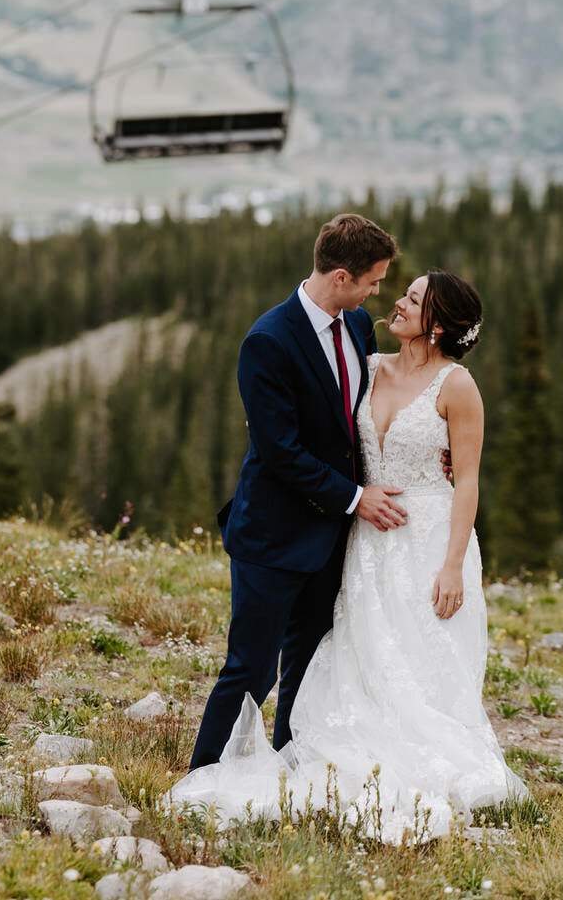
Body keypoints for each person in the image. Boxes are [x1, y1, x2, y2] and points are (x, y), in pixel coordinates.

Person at [171, 270, 526, 841]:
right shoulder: (368, 360)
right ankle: (267, 757)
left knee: (419, 659)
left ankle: (423, 757)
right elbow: (319, 423)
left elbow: (467, 482)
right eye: (400, 288)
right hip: (364, 544)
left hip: (430, 539)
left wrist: (454, 564)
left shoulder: (458, 387)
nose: (396, 301)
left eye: (413, 297)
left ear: (436, 325)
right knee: (359, 650)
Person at [189, 214, 403, 776]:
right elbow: (280, 452)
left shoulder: (357, 327)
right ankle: (203, 776)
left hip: (331, 537)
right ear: (340, 277)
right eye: (372, 281)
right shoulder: (268, 340)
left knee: (307, 666)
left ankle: (287, 771)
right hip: (273, 534)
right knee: (251, 669)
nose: (377, 292)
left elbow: (357, 420)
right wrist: (357, 498)